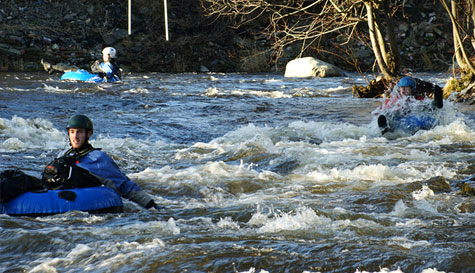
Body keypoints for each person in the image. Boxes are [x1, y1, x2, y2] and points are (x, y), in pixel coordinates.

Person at [55, 114, 157, 208]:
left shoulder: (98, 158)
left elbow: (123, 185)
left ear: (89, 134)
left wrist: (150, 205)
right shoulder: (63, 155)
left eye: (80, 132)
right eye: (72, 132)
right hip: (62, 198)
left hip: (85, 202)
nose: (75, 137)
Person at [374, 76, 444, 134]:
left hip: (412, 121)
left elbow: (426, 106)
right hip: (398, 121)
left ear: (412, 89)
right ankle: (385, 129)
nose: (403, 90)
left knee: (428, 110)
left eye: (406, 87)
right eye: (402, 87)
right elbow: (381, 110)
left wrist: (433, 106)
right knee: (389, 114)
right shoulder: (393, 100)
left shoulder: (417, 99)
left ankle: (437, 103)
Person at [41, 47, 121, 82]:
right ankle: (51, 68)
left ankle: (50, 67)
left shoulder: (112, 65)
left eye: (105, 55)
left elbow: (108, 75)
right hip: (94, 74)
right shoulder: (107, 63)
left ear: (110, 55)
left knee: (73, 69)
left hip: (97, 77)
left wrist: (98, 72)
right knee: (74, 68)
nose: (103, 56)